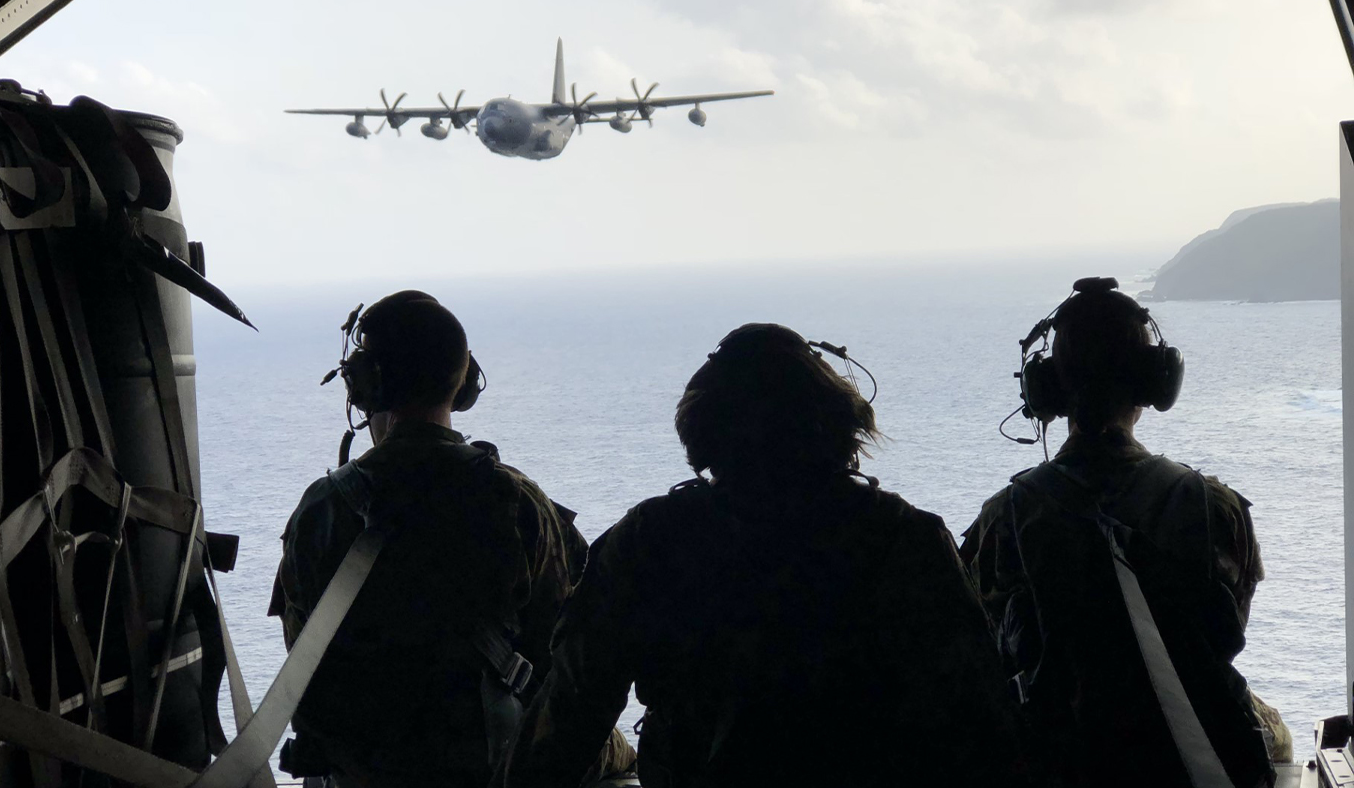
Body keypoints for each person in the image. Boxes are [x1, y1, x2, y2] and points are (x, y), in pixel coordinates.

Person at [497, 323, 1029, 788]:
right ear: (841, 426)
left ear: (703, 433)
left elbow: (568, 716)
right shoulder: (905, 538)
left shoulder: (650, 540)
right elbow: (979, 725)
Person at [268, 291, 633, 788]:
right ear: (462, 386)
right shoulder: (516, 501)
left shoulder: (320, 510)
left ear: (363, 387)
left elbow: (303, 672)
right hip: (492, 770)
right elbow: (563, 660)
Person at [959, 277, 1280, 788]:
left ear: (1046, 390)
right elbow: (1223, 637)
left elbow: (990, 654)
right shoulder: (1215, 508)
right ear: (1156, 382)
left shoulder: (1004, 520)